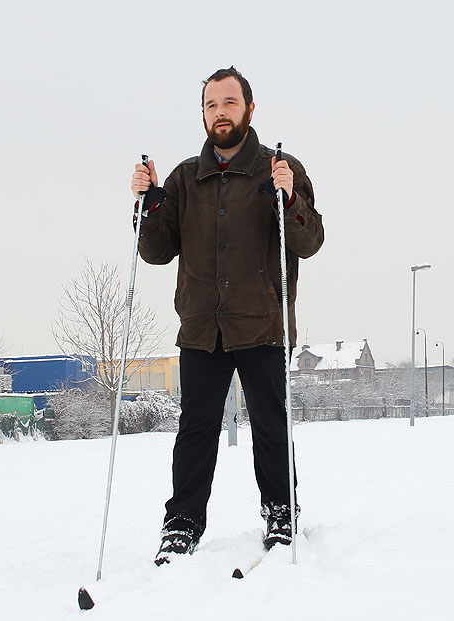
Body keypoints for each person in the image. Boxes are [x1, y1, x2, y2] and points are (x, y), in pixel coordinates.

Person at [130, 67, 325, 565]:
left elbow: (310, 241)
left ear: (249, 110)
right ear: (203, 114)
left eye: (230, 103)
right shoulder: (182, 179)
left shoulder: (281, 168)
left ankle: (281, 514)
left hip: (262, 324)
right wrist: (147, 205)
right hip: (201, 327)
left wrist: (290, 199)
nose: (221, 112)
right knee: (196, 428)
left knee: (269, 424)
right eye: (212, 104)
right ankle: (182, 524)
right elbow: (155, 251)